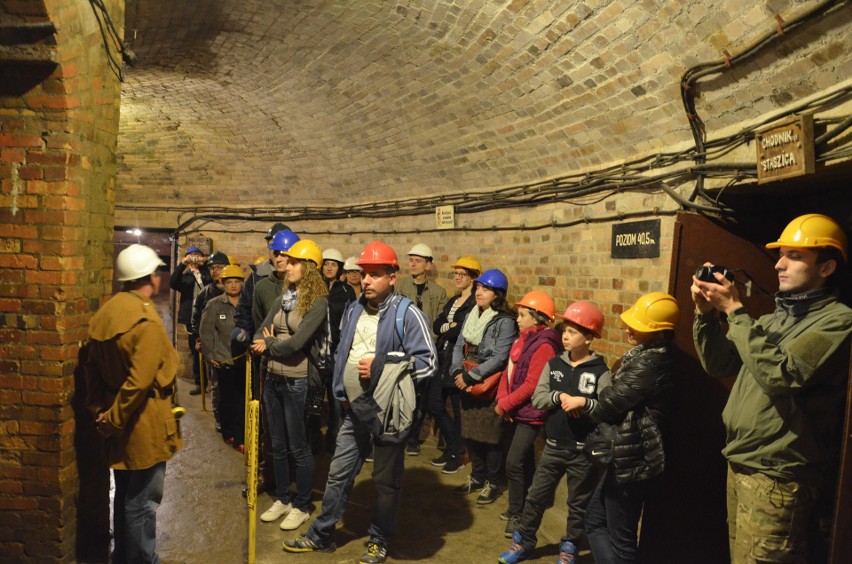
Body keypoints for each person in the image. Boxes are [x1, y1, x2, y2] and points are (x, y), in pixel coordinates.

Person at [691, 213, 851, 563]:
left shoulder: (838, 322)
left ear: (826, 268)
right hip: (742, 462)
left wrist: (734, 310)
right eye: (780, 254)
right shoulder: (770, 320)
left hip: (778, 477)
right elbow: (720, 365)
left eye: (795, 256)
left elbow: (781, 375)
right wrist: (705, 314)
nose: (779, 264)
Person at [282, 240, 437, 564]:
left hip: (386, 414)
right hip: (353, 410)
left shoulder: (408, 314)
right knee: (338, 474)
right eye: (364, 273)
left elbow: (428, 363)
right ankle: (322, 534)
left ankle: (379, 540)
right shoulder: (353, 309)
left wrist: (382, 364)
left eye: (375, 274)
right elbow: (343, 353)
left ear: (392, 277)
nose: (366, 280)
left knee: (385, 482)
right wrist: (340, 391)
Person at [557, 291, 678, 564]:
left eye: (638, 326)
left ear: (658, 332)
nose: (628, 328)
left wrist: (588, 403)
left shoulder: (650, 362)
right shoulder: (648, 356)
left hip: (633, 457)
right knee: (596, 522)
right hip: (627, 453)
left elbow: (609, 403)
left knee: (620, 538)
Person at [83, 244, 183, 563]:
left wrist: (101, 412)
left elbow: (91, 369)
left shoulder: (106, 313)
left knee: (125, 496)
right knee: (142, 502)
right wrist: (115, 418)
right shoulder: (145, 321)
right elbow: (140, 383)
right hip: (144, 423)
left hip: (117, 420)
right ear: (150, 278)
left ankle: (122, 558)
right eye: (156, 273)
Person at [498, 301, 609, 564]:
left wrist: (585, 403)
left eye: (573, 332)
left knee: (577, 503)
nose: (566, 337)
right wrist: (559, 397)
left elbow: (607, 407)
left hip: (583, 450)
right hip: (554, 446)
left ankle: (569, 546)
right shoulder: (554, 365)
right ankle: (522, 541)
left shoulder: (600, 371)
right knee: (536, 496)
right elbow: (538, 397)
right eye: (565, 331)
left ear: (590, 337)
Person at [251, 239, 328, 531]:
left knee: (299, 447)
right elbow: (261, 328)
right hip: (273, 378)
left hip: (297, 381)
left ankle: (302, 504)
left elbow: (297, 343)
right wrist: (268, 340)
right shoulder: (285, 297)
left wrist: (270, 342)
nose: (288, 266)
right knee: (278, 445)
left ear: (308, 268)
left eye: (294, 262)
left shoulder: (317, 302)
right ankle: (283, 498)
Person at [497, 291, 562, 536]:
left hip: (531, 411)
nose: (518, 318)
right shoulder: (522, 339)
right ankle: (521, 505)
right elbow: (509, 371)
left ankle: (517, 514)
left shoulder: (544, 345)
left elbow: (532, 384)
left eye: (523, 314)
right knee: (520, 462)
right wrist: (503, 398)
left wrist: (506, 404)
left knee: (514, 462)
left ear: (537, 318)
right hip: (517, 409)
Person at [451, 268, 518, 505]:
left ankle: (492, 481)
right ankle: (477, 476)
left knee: (491, 437)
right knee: (472, 434)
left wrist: (472, 377)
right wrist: (457, 371)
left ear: (497, 294)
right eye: (478, 287)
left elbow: (500, 357)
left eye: (485, 289)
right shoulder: (472, 314)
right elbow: (460, 344)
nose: (479, 292)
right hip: (467, 377)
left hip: (486, 385)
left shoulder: (505, 322)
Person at [248, 228, 300, 493]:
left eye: (285, 254)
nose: (280, 258)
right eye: (276, 253)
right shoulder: (261, 286)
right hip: (269, 364)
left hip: (297, 368)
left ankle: (295, 480)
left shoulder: (305, 288)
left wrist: (272, 341)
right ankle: (271, 478)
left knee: (297, 428)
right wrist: (263, 342)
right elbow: (259, 323)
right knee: (270, 426)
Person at [395, 243, 448, 455]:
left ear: (428, 264)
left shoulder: (438, 292)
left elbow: (440, 321)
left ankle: (412, 439)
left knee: (422, 398)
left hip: (428, 350)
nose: (413, 264)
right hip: (404, 348)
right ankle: (401, 435)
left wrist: (429, 343)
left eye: (418, 261)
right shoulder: (400, 287)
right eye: (411, 260)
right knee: (403, 394)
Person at [429, 256, 480, 474]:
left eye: (462, 274)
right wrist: (449, 325)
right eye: (455, 274)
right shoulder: (453, 301)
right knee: (434, 404)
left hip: (457, 360)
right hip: (441, 357)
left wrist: (448, 327)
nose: (457, 277)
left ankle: (456, 453)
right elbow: (437, 324)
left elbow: (459, 331)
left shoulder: (474, 305)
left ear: (473, 277)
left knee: (458, 410)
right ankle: (454, 446)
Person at [199, 264, 247, 452]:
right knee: (227, 399)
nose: (233, 286)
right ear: (223, 284)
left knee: (242, 400)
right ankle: (229, 432)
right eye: (229, 282)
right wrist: (210, 357)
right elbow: (206, 333)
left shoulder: (247, 303)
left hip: (244, 361)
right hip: (224, 360)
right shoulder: (214, 305)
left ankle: (241, 433)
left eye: (237, 282)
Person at [318, 248, 356, 452]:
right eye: (326, 264)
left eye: (334, 264)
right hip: (316, 350)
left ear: (339, 268)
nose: (329, 267)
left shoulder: (346, 291)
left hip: (336, 352)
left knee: (335, 400)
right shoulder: (315, 287)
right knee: (314, 397)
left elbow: (350, 320)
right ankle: (313, 438)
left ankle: (333, 440)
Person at [169, 245, 211, 394]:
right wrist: (182, 264)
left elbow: (212, 283)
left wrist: (204, 264)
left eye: (196, 255)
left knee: (212, 350)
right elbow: (173, 283)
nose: (193, 257)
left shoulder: (206, 273)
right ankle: (200, 384)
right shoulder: (185, 276)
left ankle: (214, 382)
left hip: (209, 316)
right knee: (195, 351)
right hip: (192, 318)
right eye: (191, 255)